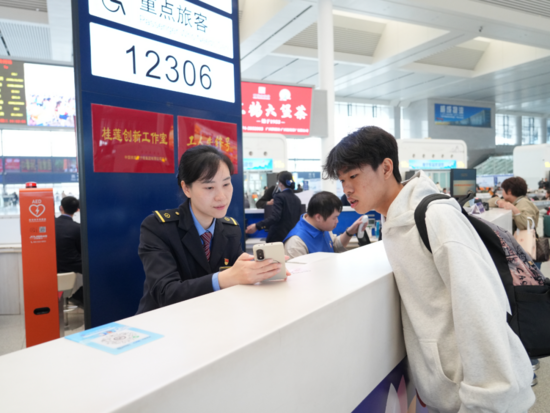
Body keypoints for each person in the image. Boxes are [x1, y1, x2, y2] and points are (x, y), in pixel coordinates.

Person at [323, 126, 535, 413]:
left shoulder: (435, 217)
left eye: (353, 176)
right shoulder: (393, 221)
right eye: (341, 180)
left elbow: (481, 307)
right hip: (447, 392)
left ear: (386, 168)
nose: (346, 189)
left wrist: (486, 400)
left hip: (479, 400)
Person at [136, 146, 289, 314]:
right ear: (186, 188)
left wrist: (262, 270)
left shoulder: (230, 229)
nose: (221, 196)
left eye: (226, 184)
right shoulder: (158, 228)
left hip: (212, 319)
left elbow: (238, 273)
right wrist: (225, 278)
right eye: (209, 187)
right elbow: (166, 293)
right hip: (164, 323)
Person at [284, 191, 363, 259]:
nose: (337, 221)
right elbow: (297, 272)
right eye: (334, 218)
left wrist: (350, 232)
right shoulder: (296, 243)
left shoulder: (322, 226)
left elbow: (334, 246)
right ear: (318, 217)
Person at [245, 171, 302, 243]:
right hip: (292, 237)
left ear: (280, 183)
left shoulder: (279, 197)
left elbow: (275, 217)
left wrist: (257, 226)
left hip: (277, 238)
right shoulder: (297, 199)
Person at [55, 196, 83, 303]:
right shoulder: (78, 228)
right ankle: (78, 297)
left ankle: (63, 301)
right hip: (72, 265)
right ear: (77, 210)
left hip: (53, 266)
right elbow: (81, 250)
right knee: (97, 271)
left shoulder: (49, 224)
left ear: (61, 208)